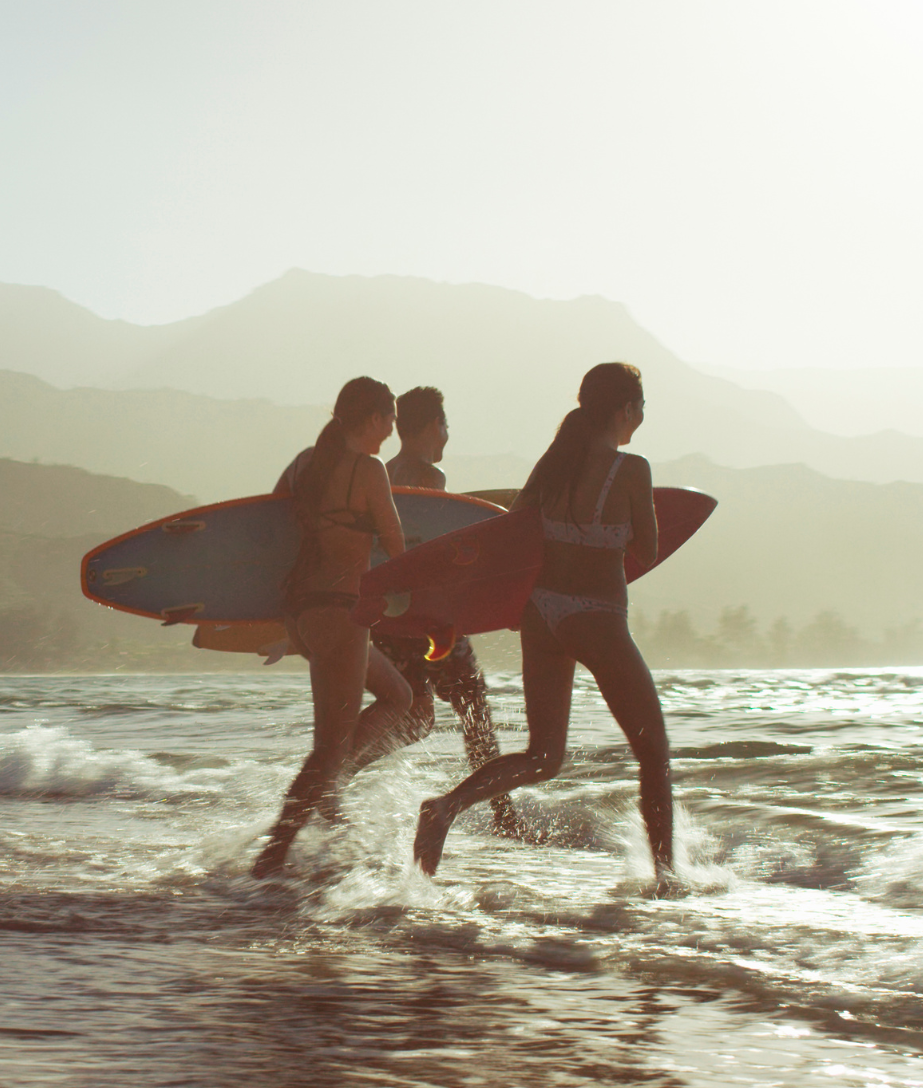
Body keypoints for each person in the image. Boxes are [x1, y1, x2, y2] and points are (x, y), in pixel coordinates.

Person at [413, 363, 680, 891]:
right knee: (653, 751)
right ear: (626, 409)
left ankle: (445, 808)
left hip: (541, 613)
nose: (642, 418)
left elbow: (512, 533)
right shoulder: (630, 469)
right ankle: (667, 879)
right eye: (641, 408)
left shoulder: (554, 464)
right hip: (596, 616)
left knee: (542, 755)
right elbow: (647, 550)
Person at [253, 376, 434, 878]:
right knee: (328, 747)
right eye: (391, 419)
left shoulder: (304, 463)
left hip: (305, 614)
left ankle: (328, 795)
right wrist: (431, 600)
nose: (393, 429)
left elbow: (267, 527)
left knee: (399, 698)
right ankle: (270, 859)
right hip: (341, 611)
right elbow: (396, 547)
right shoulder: (368, 468)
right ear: (374, 419)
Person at [373, 387, 531, 841]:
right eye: (444, 425)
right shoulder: (429, 475)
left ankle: (338, 774)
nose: (447, 434)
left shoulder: (384, 474)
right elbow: (434, 553)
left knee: (416, 714)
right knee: (474, 710)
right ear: (428, 427)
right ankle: (502, 815)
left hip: (391, 616)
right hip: (428, 619)